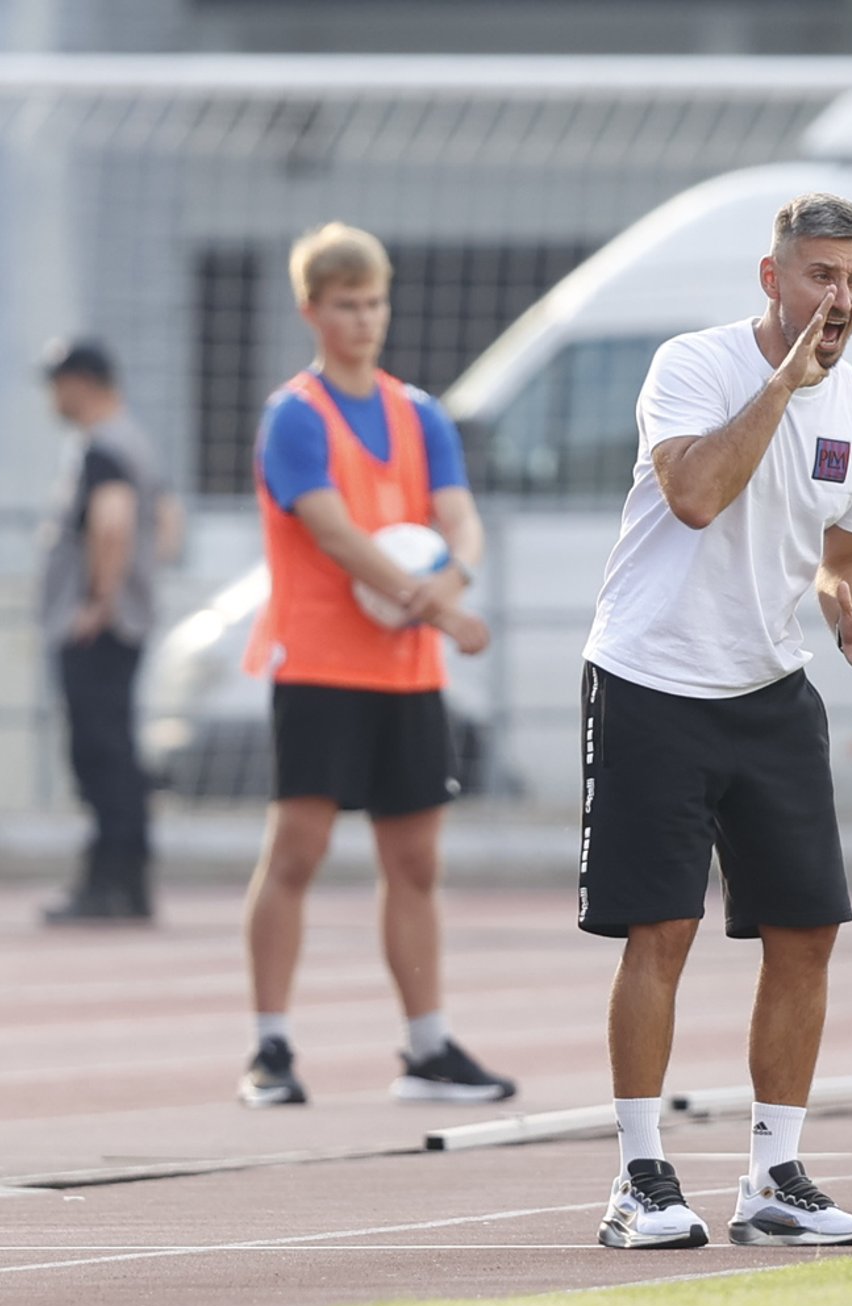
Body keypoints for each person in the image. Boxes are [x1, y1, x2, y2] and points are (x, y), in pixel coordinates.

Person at [580, 193, 852, 1250]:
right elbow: (691, 493)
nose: (840, 299)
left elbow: (844, 557)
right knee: (661, 930)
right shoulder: (693, 365)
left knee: (805, 930)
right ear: (772, 278)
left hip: (769, 692)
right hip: (652, 678)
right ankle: (639, 1178)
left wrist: (844, 618)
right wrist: (784, 383)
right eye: (821, 275)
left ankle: (774, 1177)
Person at [236, 221, 515, 1109]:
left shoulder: (418, 412)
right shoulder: (295, 416)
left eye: (375, 303)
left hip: (406, 671)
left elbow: (458, 516)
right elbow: (330, 529)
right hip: (321, 661)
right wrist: (434, 601)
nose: (365, 320)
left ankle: (427, 1047)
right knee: (299, 849)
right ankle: (270, 1048)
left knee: (416, 861)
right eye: (347, 305)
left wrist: (454, 574)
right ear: (312, 310)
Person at [37, 340, 179, 925]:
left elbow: (113, 522)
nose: (53, 397)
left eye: (58, 383)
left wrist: (100, 600)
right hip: (123, 619)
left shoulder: (107, 447)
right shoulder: (132, 442)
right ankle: (125, 880)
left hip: (101, 626)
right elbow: (169, 521)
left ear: (83, 383)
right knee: (113, 750)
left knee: (101, 754)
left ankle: (112, 883)